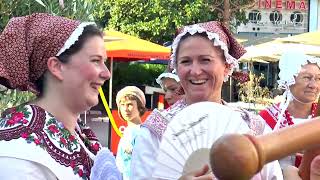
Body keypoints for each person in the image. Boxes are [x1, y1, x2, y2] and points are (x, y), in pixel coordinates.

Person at [130, 21, 283, 179]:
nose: (195, 71)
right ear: (176, 67)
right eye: (186, 61)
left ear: (226, 66)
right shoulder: (156, 131)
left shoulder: (252, 127)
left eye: (205, 60)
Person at [0, 13, 119, 180]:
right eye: (95, 60)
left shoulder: (81, 134)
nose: (107, 73)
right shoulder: (18, 153)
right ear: (56, 67)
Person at [259, 51, 320, 169]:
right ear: (289, 80)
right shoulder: (266, 119)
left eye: (318, 78)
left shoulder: (318, 115)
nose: (314, 85)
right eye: (307, 78)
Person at [115, 86, 147, 180]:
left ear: (140, 107)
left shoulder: (142, 132)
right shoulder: (128, 131)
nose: (125, 109)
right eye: (122, 105)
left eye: (129, 104)